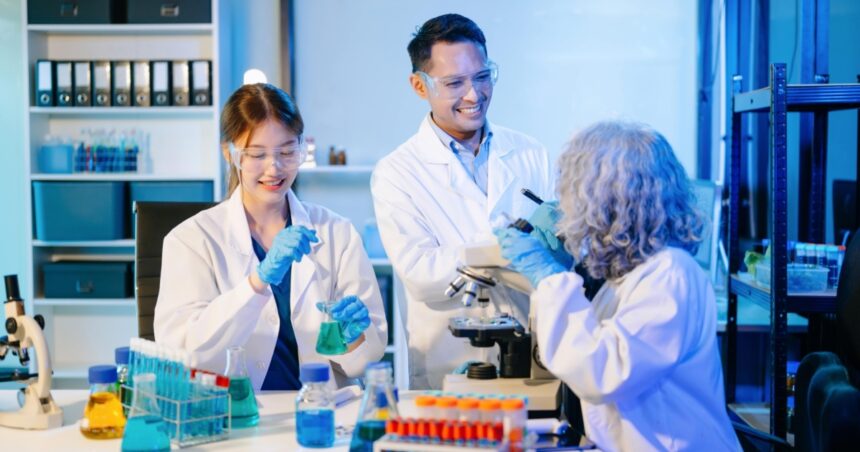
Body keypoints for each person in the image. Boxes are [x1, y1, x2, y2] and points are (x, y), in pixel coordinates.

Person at [495, 121, 740, 450]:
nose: (565, 206)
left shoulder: (670, 274)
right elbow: (591, 341)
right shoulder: (632, 271)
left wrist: (550, 277)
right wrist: (568, 271)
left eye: (572, 194)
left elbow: (604, 372)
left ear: (608, 201)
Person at [155, 83, 387, 390]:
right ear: (230, 154)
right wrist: (256, 283)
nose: (274, 167)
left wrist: (353, 338)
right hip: (235, 410)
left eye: (287, 152)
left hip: (319, 407)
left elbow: (363, 363)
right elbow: (184, 352)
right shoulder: (191, 240)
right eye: (257, 154)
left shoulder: (337, 232)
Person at [371, 13, 559, 390]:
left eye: (482, 76)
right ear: (419, 86)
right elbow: (419, 272)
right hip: (448, 360)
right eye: (455, 83)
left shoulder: (530, 153)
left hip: (531, 353)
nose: (474, 95)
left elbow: (556, 249)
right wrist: (498, 250)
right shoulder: (397, 172)